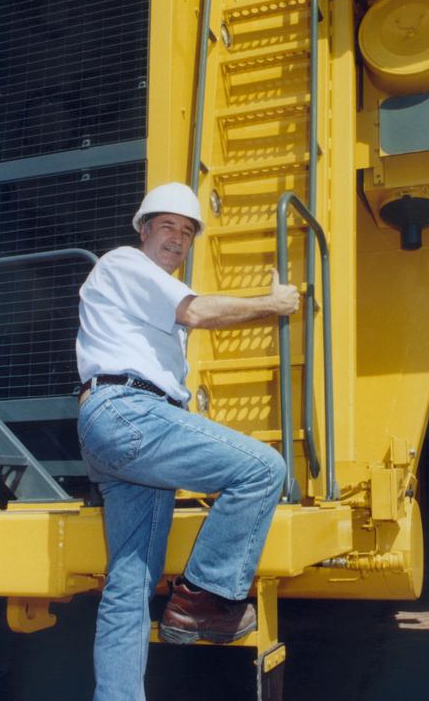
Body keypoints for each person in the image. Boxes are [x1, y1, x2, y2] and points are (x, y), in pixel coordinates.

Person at [76, 182, 299, 701]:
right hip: (127, 414)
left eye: (187, 231)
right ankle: (202, 600)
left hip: (120, 432)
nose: (177, 239)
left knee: (129, 586)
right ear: (144, 230)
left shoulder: (144, 295)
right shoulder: (124, 264)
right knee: (263, 468)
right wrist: (273, 304)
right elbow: (197, 311)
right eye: (167, 226)